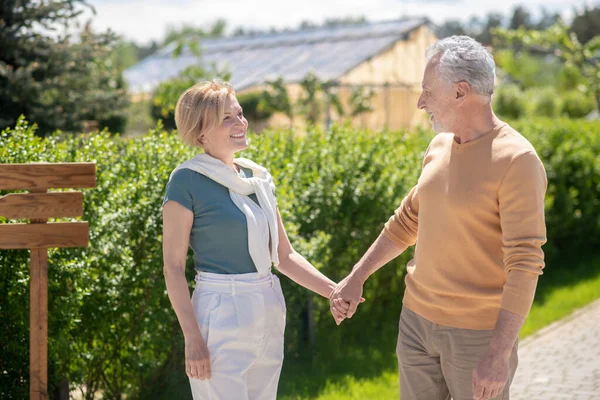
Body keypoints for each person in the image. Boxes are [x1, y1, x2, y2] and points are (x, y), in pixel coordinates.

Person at [330, 35, 547, 400]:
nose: (420, 102)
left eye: (428, 91)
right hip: (415, 323)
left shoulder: (518, 161)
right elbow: (407, 220)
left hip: (476, 336)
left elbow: (525, 263)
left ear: (461, 92)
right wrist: (356, 277)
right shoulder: (439, 145)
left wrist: (498, 353)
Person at [162, 80, 341, 400]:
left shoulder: (258, 179)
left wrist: (334, 292)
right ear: (201, 132)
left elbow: (284, 256)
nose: (241, 123)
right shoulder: (186, 180)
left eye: (240, 114)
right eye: (227, 118)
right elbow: (173, 268)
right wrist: (192, 338)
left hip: (268, 305)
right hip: (220, 310)